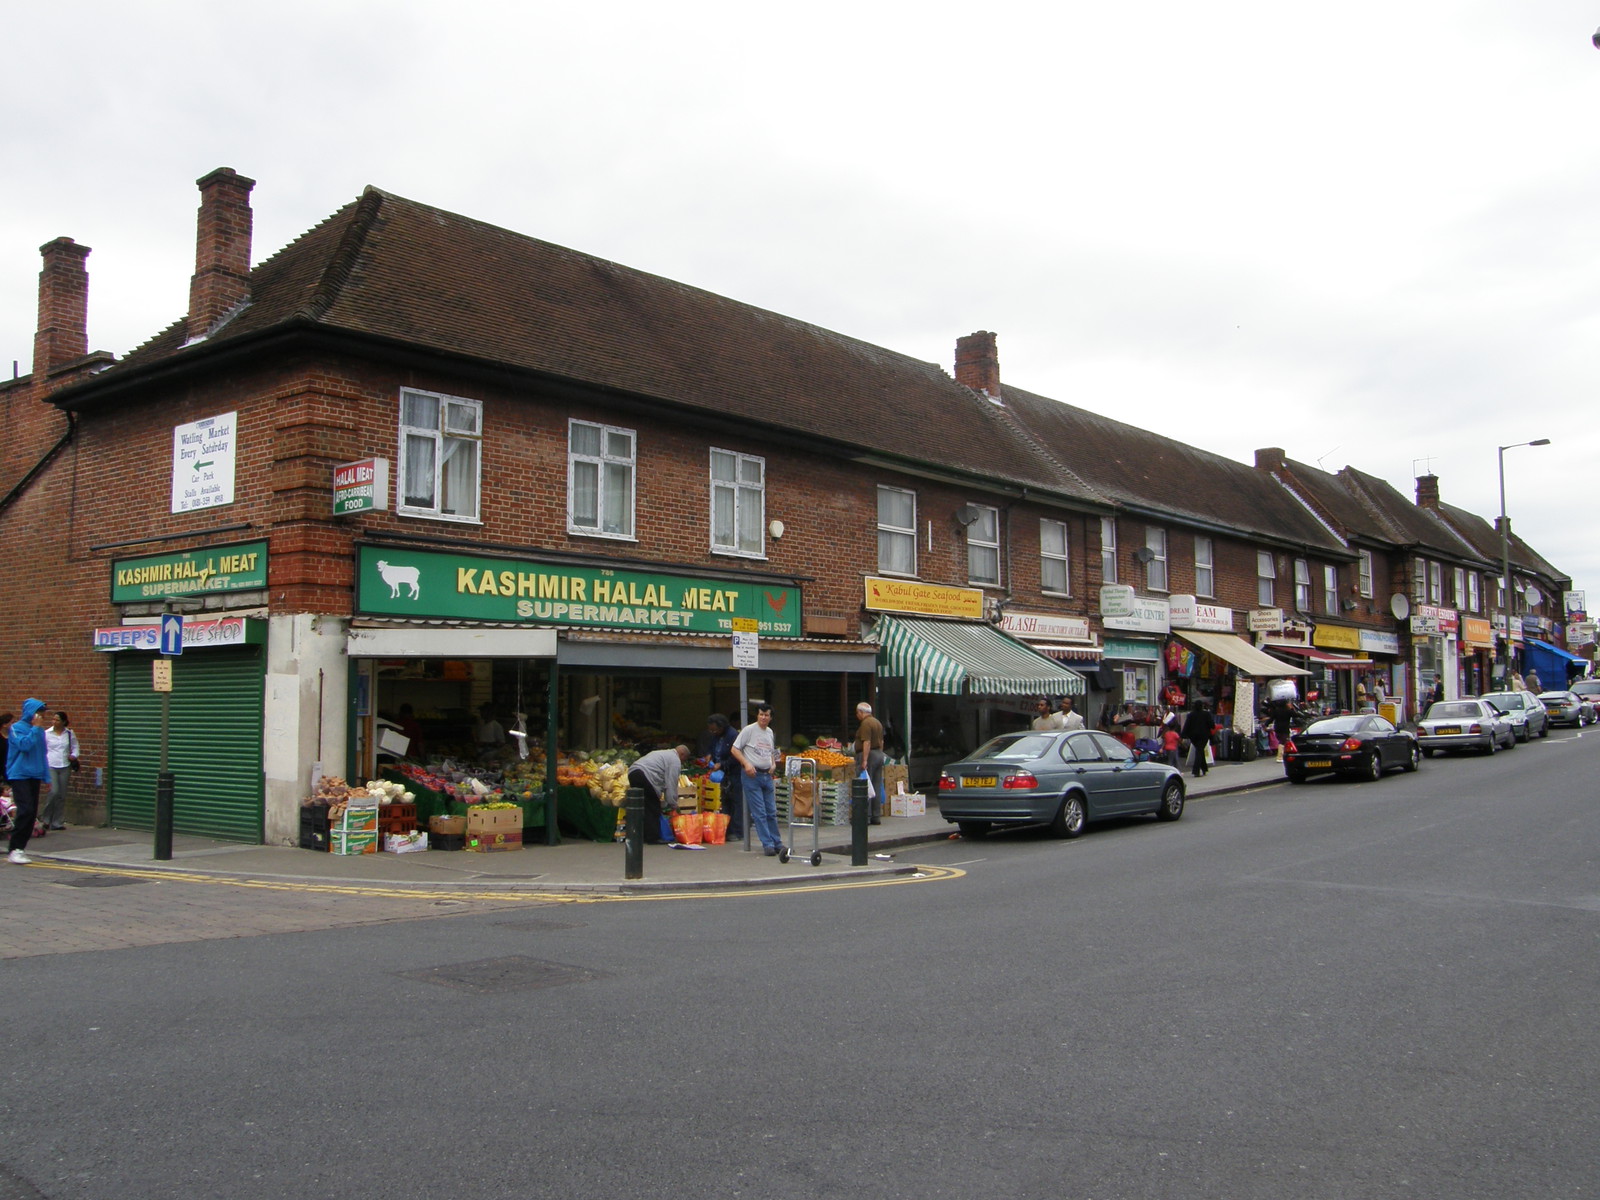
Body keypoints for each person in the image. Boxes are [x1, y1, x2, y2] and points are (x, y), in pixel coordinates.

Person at [731, 703, 783, 855]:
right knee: (759, 811)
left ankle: (777, 842)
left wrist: (773, 764)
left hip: (766, 775)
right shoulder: (749, 730)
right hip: (751, 776)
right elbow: (735, 749)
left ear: (770, 717)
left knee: (771, 811)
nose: (763, 718)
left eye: (766, 715)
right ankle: (767, 844)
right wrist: (746, 763)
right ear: (757, 715)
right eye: (761, 714)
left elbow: (772, 750)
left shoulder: (770, 732)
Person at [7, 700, 50, 864]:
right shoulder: (16, 728)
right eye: (39, 712)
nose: (41, 716)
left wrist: (46, 776)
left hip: (35, 775)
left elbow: (42, 754)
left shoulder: (40, 731)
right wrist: (35, 729)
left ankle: (20, 849)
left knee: (31, 813)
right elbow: (24, 745)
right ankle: (14, 848)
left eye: (43, 713)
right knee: (25, 810)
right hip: (19, 775)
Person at [627, 744, 690, 845]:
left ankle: (641, 835)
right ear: (682, 754)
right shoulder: (675, 760)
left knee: (643, 807)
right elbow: (671, 783)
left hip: (632, 773)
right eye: (684, 759)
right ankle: (653, 837)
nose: (683, 762)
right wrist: (673, 803)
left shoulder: (664, 753)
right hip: (644, 775)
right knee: (653, 806)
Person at [705, 713, 743, 840]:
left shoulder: (733, 735)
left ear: (722, 727)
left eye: (715, 729)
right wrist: (709, 755)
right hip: (723, 774)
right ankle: (725, 829)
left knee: (736, 802)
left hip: (734, 773)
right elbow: (712, 747)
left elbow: (736, 756)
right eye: (711, 730)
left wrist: (721, 764)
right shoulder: (716, 737)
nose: (713, 732)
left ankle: (737, 831)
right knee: (725, 801)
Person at [41, 710, 81, 832]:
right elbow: (42, 749)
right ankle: (46, 819)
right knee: (54, 791)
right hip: (51, 764)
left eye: (57, 720)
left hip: (65, 765)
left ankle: (57, 822)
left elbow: (75, 746)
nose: (54, 722)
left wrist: (74, 755)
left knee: (61, 795)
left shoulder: (69, 733)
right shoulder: (46, 733)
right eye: (53, 719)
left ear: (64, 721)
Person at [854, 701, 885, 825]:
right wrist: (880, 754)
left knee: (865, 786)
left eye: (857, 713)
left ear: (861, 712)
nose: (857, 715)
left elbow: (866, 742)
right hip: (878, 754)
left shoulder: (866, 723)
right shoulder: (877, 722)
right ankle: (876, 816)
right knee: (876, 785)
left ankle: (865, 817)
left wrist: (865, 760)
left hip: (869, 754)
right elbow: (881, 741)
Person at [1180, 700, 1216, 778]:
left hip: (1193, 737)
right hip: (1204, 736)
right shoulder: (1206, 714)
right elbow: (1212, 725)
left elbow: (1187, 725)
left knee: (1199, 750)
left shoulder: (1191, 715)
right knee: (1199, 751)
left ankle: (1204, 768)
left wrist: (1183, 735)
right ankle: (1196, 770)